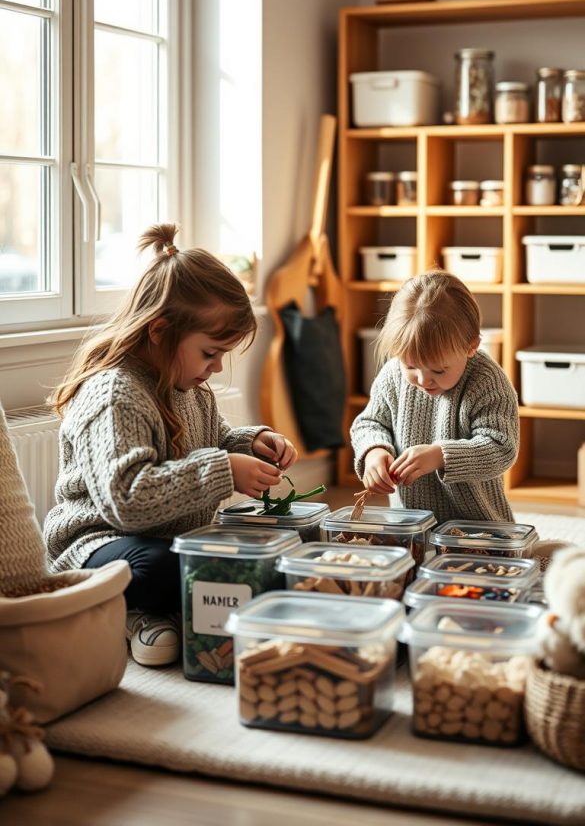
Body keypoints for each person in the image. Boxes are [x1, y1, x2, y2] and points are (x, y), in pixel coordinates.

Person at [44, 223, 297, 667]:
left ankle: (172, 608)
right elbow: (130, 501)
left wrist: (252, 443)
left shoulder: (188, 385)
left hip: (168, 535)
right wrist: (224, 469)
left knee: (244, 560)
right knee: (164, 569)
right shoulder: (114, 393)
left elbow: (212, 441)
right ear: (159, 331)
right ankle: (128, 615)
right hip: (100, 542)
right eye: (210, 353)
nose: (216, 367)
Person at [350, 270, 518, 525]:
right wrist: (373, 451)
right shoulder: (392, 375)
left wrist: (441, 455)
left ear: (470, 346)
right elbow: (369, 423)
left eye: (438, 370)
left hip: (478, 526)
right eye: (410, 366)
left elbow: (501, 448)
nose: (422, 379)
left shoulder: (487, 382)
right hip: (410, 523)